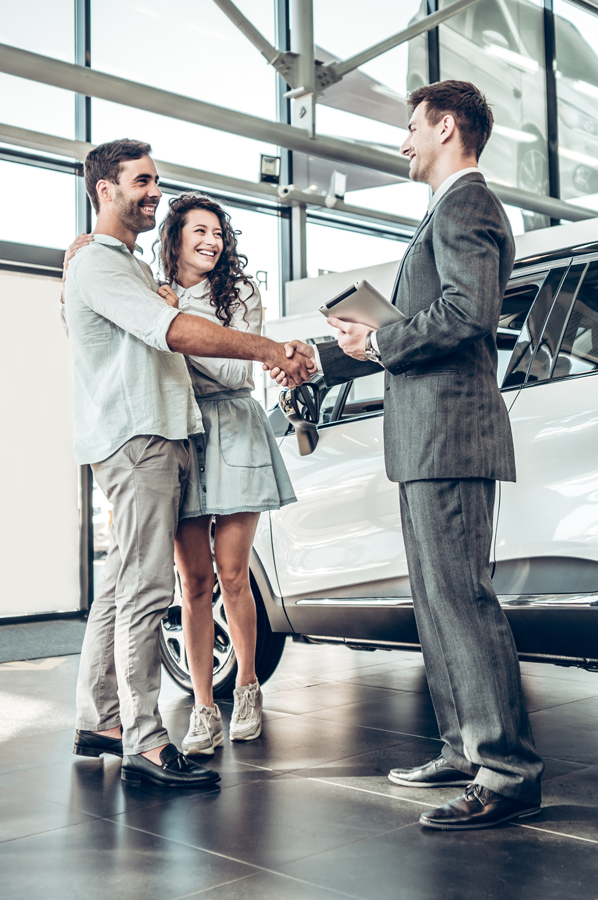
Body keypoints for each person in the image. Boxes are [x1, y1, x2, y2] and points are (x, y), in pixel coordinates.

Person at [272, 80, 544, 830]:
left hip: (451, 435)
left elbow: (466, 313)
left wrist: (382, 338)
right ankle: (463, 748)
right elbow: (415, 324)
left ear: (447, 126)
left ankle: (508, 770)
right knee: (437, 604)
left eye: (411, 128)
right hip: (426, 438)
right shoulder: (445, 212)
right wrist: (329, 355)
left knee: (462, 600)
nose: (403, 142)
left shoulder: (468, 205)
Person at [65, 138, 314, 789]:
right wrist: (267, 349)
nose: (153, 192)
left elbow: (185, 341)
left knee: (126, 585)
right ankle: (147, 740)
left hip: (174, 435)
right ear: (105, 190)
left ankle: (101, 719)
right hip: (144, 439)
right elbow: (169, 332)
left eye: (155, 182)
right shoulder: (107, 268)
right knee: (154, 589)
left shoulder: (119, 267)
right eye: (141, 181)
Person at [154, 192, 296, 755]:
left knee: (234, 574)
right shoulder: (154, 289)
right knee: (192, 583)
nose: (211, 241)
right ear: (177, 238)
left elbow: (235, 368)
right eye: (200, 231)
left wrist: (178, 324)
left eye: (218, 232)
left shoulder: (239, 292)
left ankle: (247, 687)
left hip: (235, 428)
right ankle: (205, 707)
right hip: (182, 432)